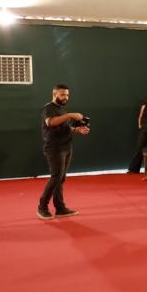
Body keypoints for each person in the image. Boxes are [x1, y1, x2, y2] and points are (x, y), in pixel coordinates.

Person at [37, 84, 90, 220]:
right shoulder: (48, 108)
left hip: (66, 147)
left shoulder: (62, 109)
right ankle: (42, 207)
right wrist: (70, 115)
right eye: (62, 95)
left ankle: (60, 208)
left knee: (60, 179)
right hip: (54, 148)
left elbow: (63, 128)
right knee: (56, 178)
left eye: (67, 95)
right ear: (54, 94)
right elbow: (50, 123)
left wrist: (77, 130)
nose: (65, 97)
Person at [127, 93, 147, 178]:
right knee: (138, 147)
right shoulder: (144, 106)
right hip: (144, 129)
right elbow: (140, 116)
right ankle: (133, 169)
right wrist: (140, 125)